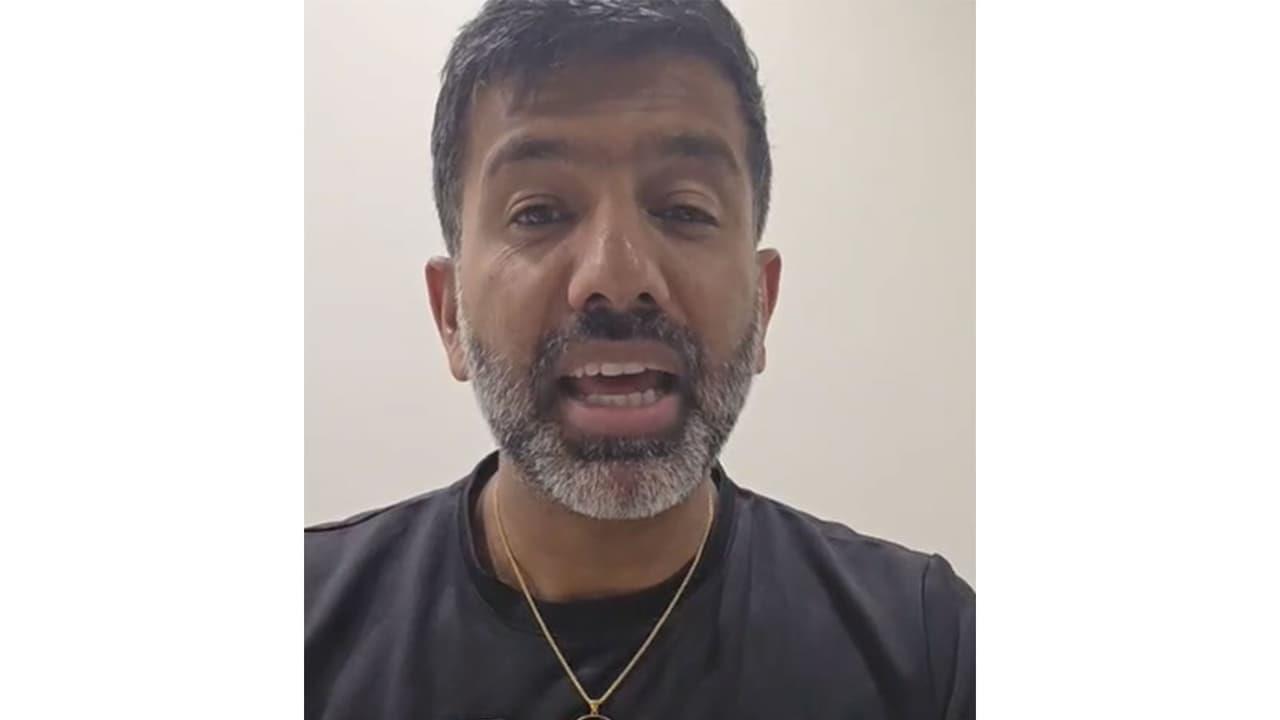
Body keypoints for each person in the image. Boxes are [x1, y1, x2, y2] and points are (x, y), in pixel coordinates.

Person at [305, 1, 974, 718]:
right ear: (450, 314)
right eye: (539, 212)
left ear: (763, 301)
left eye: (684, 209)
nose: (617, 275)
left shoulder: (928, 649)